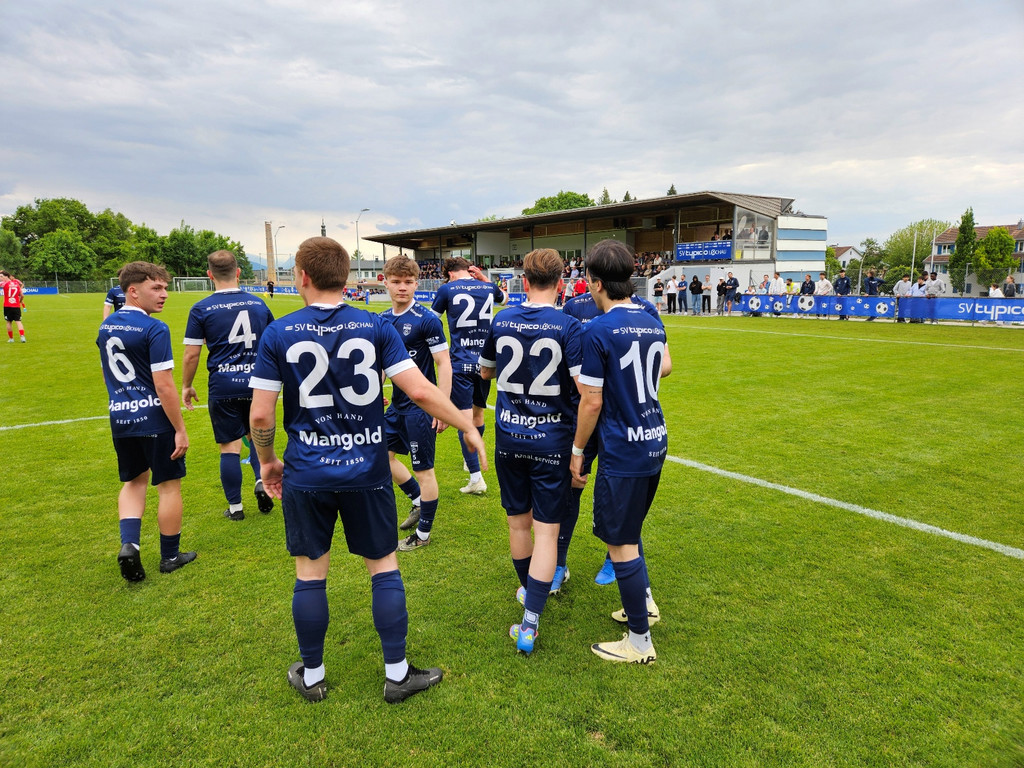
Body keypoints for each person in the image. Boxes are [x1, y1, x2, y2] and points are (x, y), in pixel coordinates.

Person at [248, 237, 487, 704]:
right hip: (366, 469)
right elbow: (419, 390)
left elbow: (260, 417)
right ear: (348, 277)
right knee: (383, 567)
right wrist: (467, 426)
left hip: (307, 472)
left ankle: (313, 675)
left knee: (310, 573)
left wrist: (266, 460)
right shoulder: (375, 326)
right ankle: (396, 674)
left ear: (301, 276)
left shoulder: (280, 331)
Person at [570, 239, 670, 664]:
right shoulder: (651, 319)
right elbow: (665, 367)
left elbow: (590, 401)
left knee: (620, 542)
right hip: (656, 437)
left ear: (594, 282)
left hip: (623, 447)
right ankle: (642, 603)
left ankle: (640, 643)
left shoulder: (598, 328)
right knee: (630, 530)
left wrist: (577, 450)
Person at [479, 249, 581, 654]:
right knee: (547, 533)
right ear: (560, 283)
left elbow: (485, 371)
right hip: (552, 441)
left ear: (523, 281)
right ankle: (530, 623)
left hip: (509, 437)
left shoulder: (501, 320)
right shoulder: (569, 325)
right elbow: (581, 385)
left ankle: (529, 599)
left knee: (518, 525)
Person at [96, 261, 195, 582]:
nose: (165, 294)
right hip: (154, 419)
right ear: (133, 291)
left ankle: (130, 545)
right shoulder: (155, 328)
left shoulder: (106, 327)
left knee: (134, 481)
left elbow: (106, 373)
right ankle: (169, 556)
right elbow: (164, 383)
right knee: (168, 486)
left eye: (165, 287)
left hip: (121, 418)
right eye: (157, 288)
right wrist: (180, 428)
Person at [182, 250, 276, 521]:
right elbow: (273, 344)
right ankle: (262, 484)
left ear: (210, 275)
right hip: (257, 383)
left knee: (229, 447)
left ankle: (235, 508)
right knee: (257, 439)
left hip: (223, 385)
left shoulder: (201, 308)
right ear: (238, 272)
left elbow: (191, 354)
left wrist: (187, 385)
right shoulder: (259, 304)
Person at [379, 256, 452, 551]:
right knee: (382, 457)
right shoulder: (382, 319)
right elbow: (380, 365)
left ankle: (422, 535)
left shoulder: (427, 320)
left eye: (408, 282)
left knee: (425, 472)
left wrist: (442, 405)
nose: (402, 288)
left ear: (416, 283)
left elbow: (443, 363)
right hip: (395, 406)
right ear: (385, 282)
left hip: (420, 408)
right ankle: (418, 501)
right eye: (396, 282)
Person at [431, 257, 506, 495]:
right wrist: (485, 279)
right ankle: (470, 458)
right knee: (478, 413)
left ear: (450, 273)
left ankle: (476, 478)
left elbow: (432, 322)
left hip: (461, 363)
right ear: (469, 271)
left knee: (463, 422)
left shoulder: (446, 289)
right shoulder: (487, 287)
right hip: (485, 364)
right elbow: (504, 299)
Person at [2, 270, 26, 342]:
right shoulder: (16, 284)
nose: (0, 278)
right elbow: (22, 296)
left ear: (6, 277)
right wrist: (19, 301)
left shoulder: (4, 284)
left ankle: (11, 339)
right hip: (16, 305)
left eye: (1, 277)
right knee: (18, 321)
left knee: (9, 322)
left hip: (7, 305)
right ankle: (22, 337)